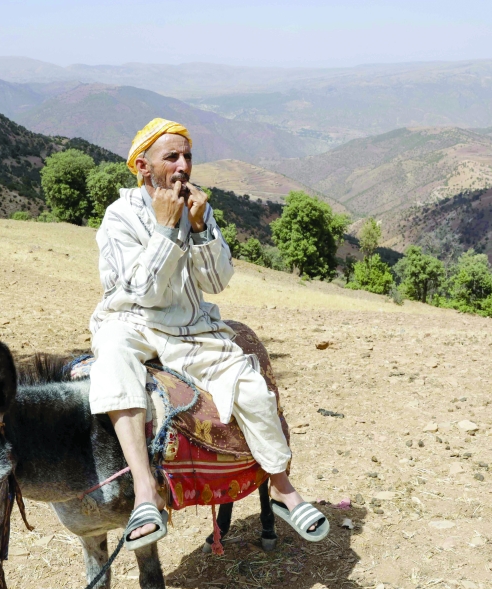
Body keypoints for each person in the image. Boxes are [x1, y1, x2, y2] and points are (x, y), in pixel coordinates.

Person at [88, 118, 329, 549]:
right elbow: (142, 293)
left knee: (252, 388)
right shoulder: (119, 216)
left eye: (188, 156)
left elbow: (217, 282)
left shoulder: (199, 209)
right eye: (172, 157)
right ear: (144, 167)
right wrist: (164, 229)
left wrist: (199, 230)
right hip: (132, 323)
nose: (183, 166)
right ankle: (146, 493)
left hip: (191, 328)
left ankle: (281, 487)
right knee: (112, 360)